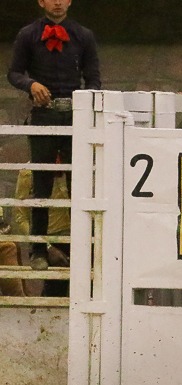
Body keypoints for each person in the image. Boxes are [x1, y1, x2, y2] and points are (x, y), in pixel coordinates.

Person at [7, 0, 101, 273]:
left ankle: (83, 249)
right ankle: (38, 250)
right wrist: (31, 84)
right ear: (41, 1)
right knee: (42, 183)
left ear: (70, 1)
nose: (57, 2)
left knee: (79, 183)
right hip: (44, 115)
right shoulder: (28, 34)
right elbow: (14, 73)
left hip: (76, 117)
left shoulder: (83, 35)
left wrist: (86, 103)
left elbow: (94, 78)